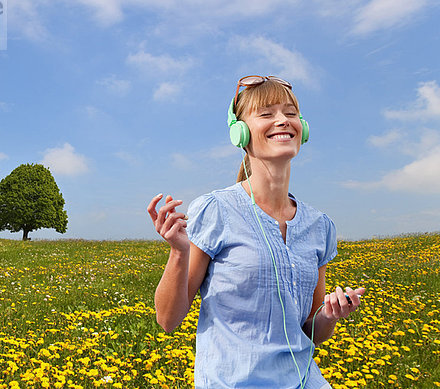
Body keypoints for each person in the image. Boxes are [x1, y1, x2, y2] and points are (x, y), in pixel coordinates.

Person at [147, 75, 366, 389]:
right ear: (240, 133)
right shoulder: (216, 210)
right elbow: (168, 320)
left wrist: (329, 315)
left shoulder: (320, 226)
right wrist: (178, 252)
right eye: (266, 114)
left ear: (302, 128)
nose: (282, 120)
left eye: (290, 113)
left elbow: (310, 333)